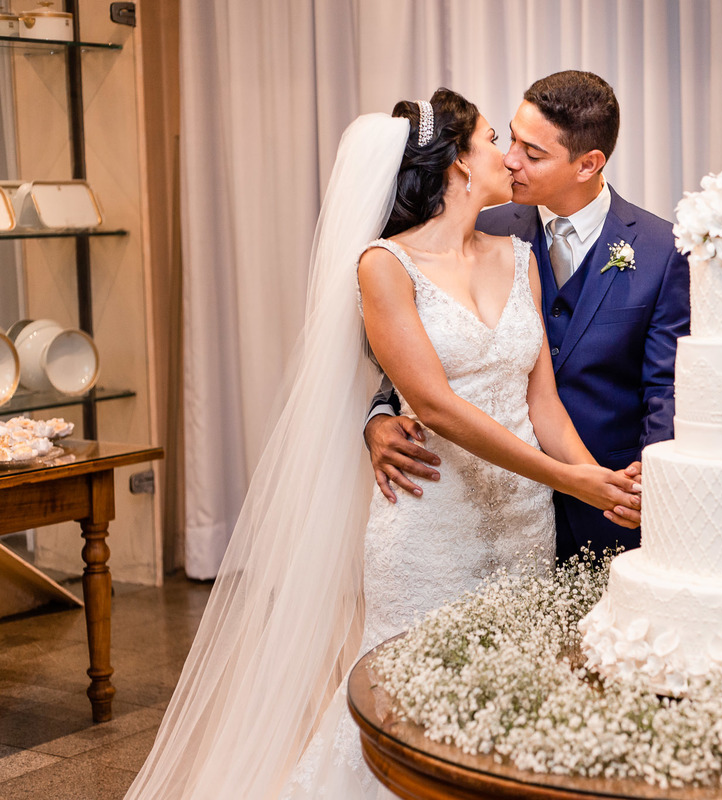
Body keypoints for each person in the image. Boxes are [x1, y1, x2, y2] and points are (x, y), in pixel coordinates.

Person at [125, 89, 641, 799]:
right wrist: (568, 478)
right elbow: (433, 404)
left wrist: (599, 481)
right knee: (409, 712)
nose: (507, 157)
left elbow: (541, 402)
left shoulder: (519, 253)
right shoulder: (384, 266)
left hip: (523, 523)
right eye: (494, 139)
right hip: (431, 519)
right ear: (459, 165)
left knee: (505, 710)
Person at [365, 71, 690, 560]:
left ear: (588, 164)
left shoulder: (663, 249)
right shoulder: (482, 222)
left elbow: (666, 387)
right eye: (510, 138)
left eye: (533, 153)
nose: (512, 159)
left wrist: (640, 486)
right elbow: (414, 356)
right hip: (463, 500)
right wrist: (379, 417)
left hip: (607, 502)